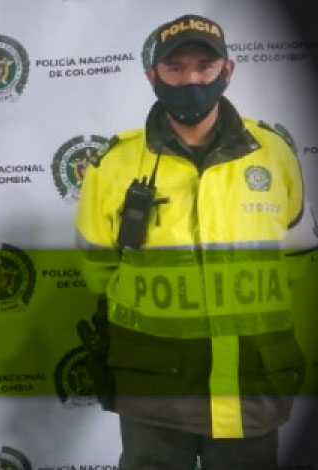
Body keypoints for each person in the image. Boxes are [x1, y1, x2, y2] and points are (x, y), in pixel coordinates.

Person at [75, 14, 317, 470]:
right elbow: (97, 269)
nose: (191, 80)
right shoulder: (115, 164)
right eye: (175, 68)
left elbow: (298, 257)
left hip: (251, 379)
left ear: (228, 70)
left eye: (205, 67)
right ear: (153, 76)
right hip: (154, 386)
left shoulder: (273, 153)